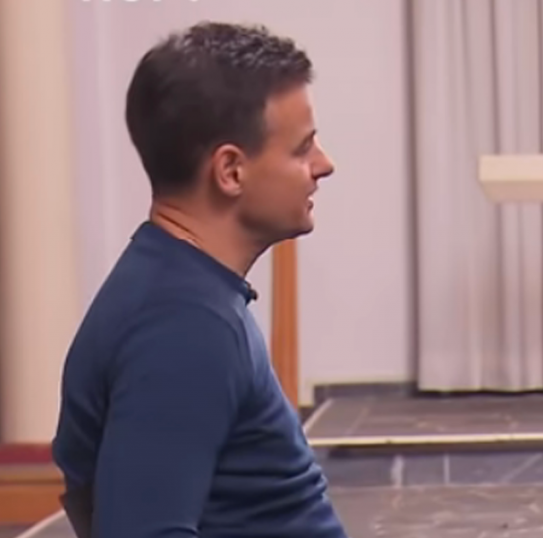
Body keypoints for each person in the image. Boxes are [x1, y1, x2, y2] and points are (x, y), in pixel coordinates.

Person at [51, 22, 346, 538]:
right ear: (230, 171)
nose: (325, 165)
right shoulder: (183, 327)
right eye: (302, 149)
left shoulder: (180, 292)